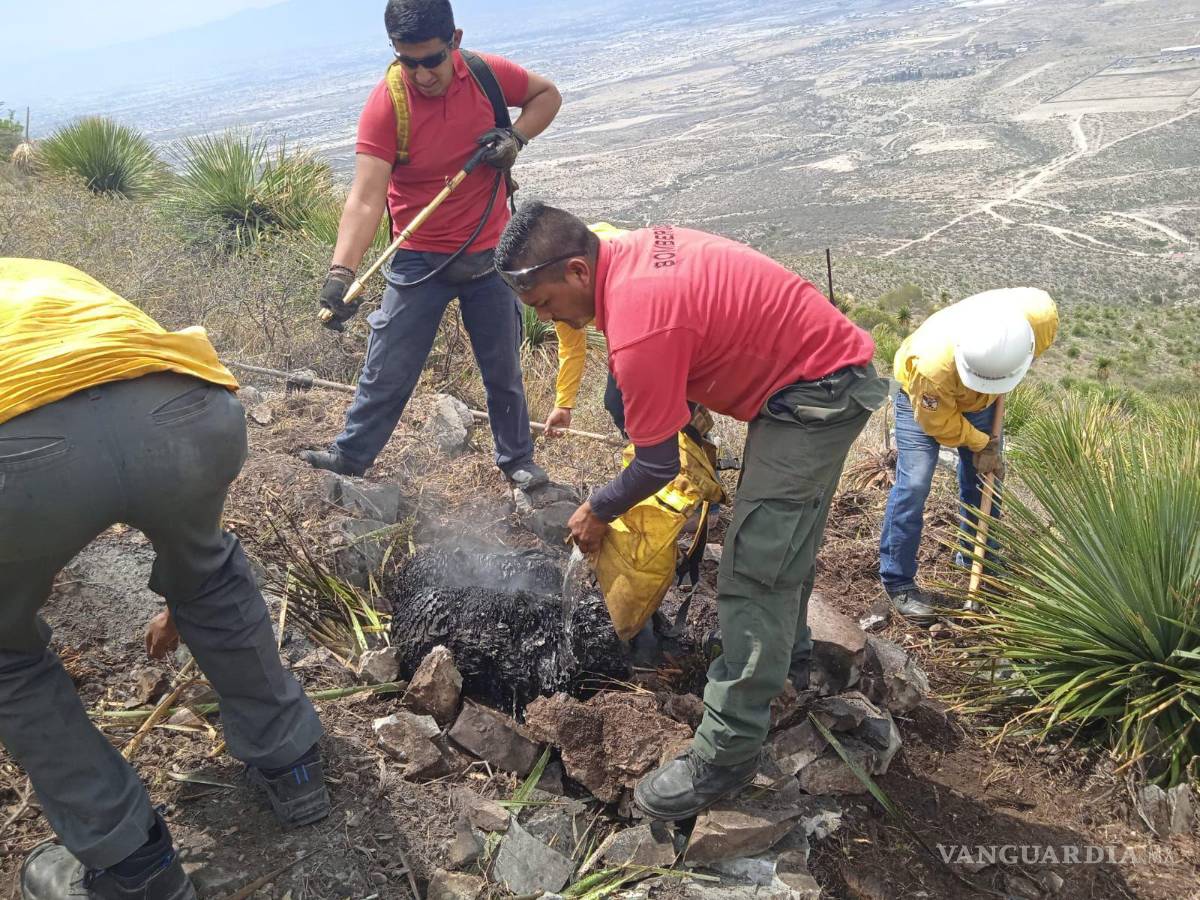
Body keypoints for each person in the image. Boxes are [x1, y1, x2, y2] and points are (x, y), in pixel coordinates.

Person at [494, 203, 888, 819]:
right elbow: (636, 390)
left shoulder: (641, 325)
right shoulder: (617, 251)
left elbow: (656, 468)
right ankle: (792, 662)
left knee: (755, 567)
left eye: (543, 304)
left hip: (816, 394)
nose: (546, 319)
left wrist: (597, 509)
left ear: (575, 271)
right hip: (812, 371)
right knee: (783, 537)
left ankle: (725, 756)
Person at [1, 259, 327, 900]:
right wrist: (186, 584)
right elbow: (119, 415)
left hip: (23, 451)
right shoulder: (40, 273)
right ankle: (292, 765)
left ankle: (131, 864)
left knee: (5, 655)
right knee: (207, 571)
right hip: (184, 406)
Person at [302, 0, 562, 492]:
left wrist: (515, 138)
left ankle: (517, 463)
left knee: (502, 367)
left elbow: (547, 95)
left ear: (455, 41)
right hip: (419, 256)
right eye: (408, 61)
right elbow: (364, 198)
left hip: (491, 252)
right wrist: (341, 273)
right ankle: (351, 455)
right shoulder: (388, 104)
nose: (421, 75)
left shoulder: (486, 75)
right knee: (389, 364)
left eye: (432, 60)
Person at [879, 288, 1058, 624]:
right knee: (914, 484)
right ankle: (897, 580)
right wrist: (981, 442)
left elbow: (1040, 330)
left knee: (985, 479)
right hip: (923, 403)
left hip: (984, 404)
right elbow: (940, 424)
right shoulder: (930, 366)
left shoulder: (1036, 317)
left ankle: (980, 557)